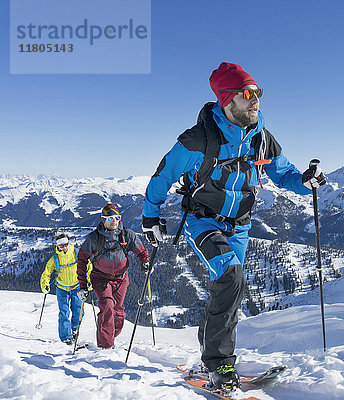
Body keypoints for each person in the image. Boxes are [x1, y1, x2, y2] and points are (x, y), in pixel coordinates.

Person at [141, 62, 326, 389]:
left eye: (258, 92)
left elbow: (283, 174)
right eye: (247, 93)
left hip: (240, 225)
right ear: (227, 99)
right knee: (231, 277)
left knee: (228, 289)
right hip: (203, 221)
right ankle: (219, 367)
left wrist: (305, 181)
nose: (255, 99)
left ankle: (206, 358)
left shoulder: (261, 138)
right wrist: (150, 216)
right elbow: (163, 176)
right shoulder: (198, 140)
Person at [76, 204, 150, 349]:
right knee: (107, 307)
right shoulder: (94, 238)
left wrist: (145, 263)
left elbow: (141, 251)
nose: (114, 221)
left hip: (121, 278)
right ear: (103, 220)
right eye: (110, 218)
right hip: (100, 278)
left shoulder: (127, 235)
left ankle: (110, 335)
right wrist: (83, 286)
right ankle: (105, 346)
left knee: (118, 312)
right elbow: (82, 260)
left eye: (117, 218)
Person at [40, 233, 92, 345]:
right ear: (58, 246)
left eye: (66, 244)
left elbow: (88, 267)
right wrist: (45, 284)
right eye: (61, 246)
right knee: (64, 312)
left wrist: (88, 281)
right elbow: (47, 272)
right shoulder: (55, 258)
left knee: (78, 311)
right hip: (62, 289)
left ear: (68, 243)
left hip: (77, 287)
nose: (64, 247)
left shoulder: (77, 254)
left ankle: (74, 330)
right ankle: (66, 337)